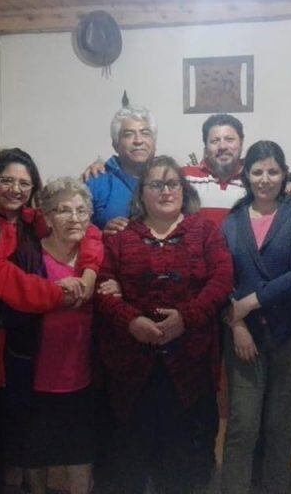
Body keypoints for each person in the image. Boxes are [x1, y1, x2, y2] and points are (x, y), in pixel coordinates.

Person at [0, 149, 102, 494]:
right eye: (7, 180)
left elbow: (88, 231)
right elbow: (0, 277)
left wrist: (89, 272)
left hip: (24, 354)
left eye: (24, 182)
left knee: (24, 449)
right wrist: (60, 293)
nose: (15, 188)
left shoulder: (31, 219)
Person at [96, 155, 233, 494]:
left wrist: (186, 317)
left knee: (181, 456)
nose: (165, 190)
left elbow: (222, 278)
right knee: (131, 452)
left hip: (189, 360)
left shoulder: (204, 232)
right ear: (141, 193)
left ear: (183, 190)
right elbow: (102, 286)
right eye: (155, 184)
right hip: (131, 362)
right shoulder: (120, 236)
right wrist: (131, 321)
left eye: (172, 183)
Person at [220, 140, 291, 494]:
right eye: (258, 171)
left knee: (281, 425)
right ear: (246, 175)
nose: (265, 179)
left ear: (284, 174)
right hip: (244, 336)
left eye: (273, 171)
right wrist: (236, 323)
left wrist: (252, 301)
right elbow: (222, 279)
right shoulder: (232, 221)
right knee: (242, 425)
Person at [0, 178, 103, 494]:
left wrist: (113, 289)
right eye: (64, 210)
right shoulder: (28, 257)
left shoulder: (95, 257)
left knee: (80, 456)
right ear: (45, 216)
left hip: (83, 378)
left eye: (81, 211)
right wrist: (54, 291)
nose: (74, 218)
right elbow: (9, 311)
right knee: (36, 459)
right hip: (35, 379)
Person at [86, 100, 156, 233]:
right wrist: (102, 236)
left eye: (145, 133)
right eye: (128, 134)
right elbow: (72, 235)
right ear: (115, 144)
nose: (138, 141)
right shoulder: (96, 181)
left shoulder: (170, 180)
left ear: (154, 142)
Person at [183, 113, 247, 226]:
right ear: (206, 147)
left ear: (241, 143)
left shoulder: (254, 181)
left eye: (229, 139)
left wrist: (289, 183)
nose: (222, 146)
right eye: (215, 141)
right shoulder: (186, 178)